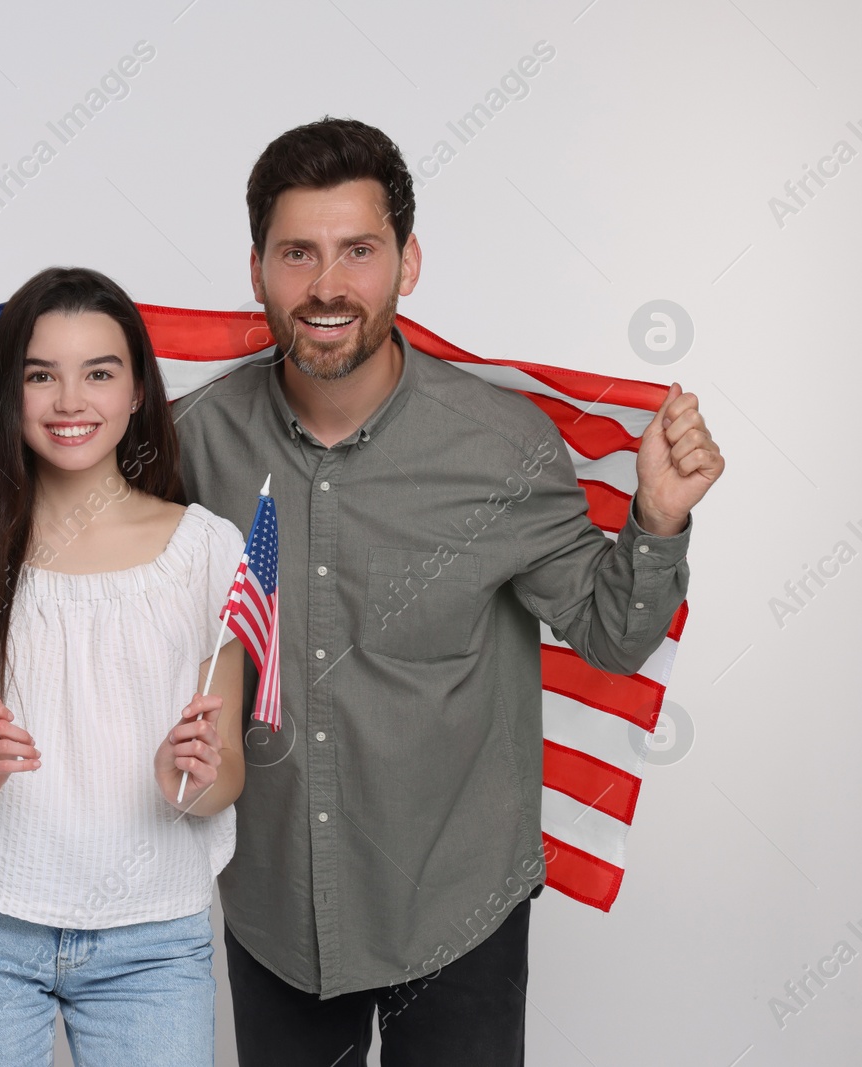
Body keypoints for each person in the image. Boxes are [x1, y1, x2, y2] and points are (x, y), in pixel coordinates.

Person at [173, 119, 726, 1065]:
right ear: (258, 267)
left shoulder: (499, 447)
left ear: (408, 262)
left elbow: (609, 635)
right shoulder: (193, 445)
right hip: (273, 907)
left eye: (359, 250)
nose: (328, 285)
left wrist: (658, 520)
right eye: (298, 252)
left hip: (458, 910)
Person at [0, 267, 247, 1066]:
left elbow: (225, 774)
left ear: (136, 394)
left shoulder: (206, 548)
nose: (70, 400)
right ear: (8, 394)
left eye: (99, 372)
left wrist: (188, 777)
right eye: (40, 375)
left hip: (152, 939)